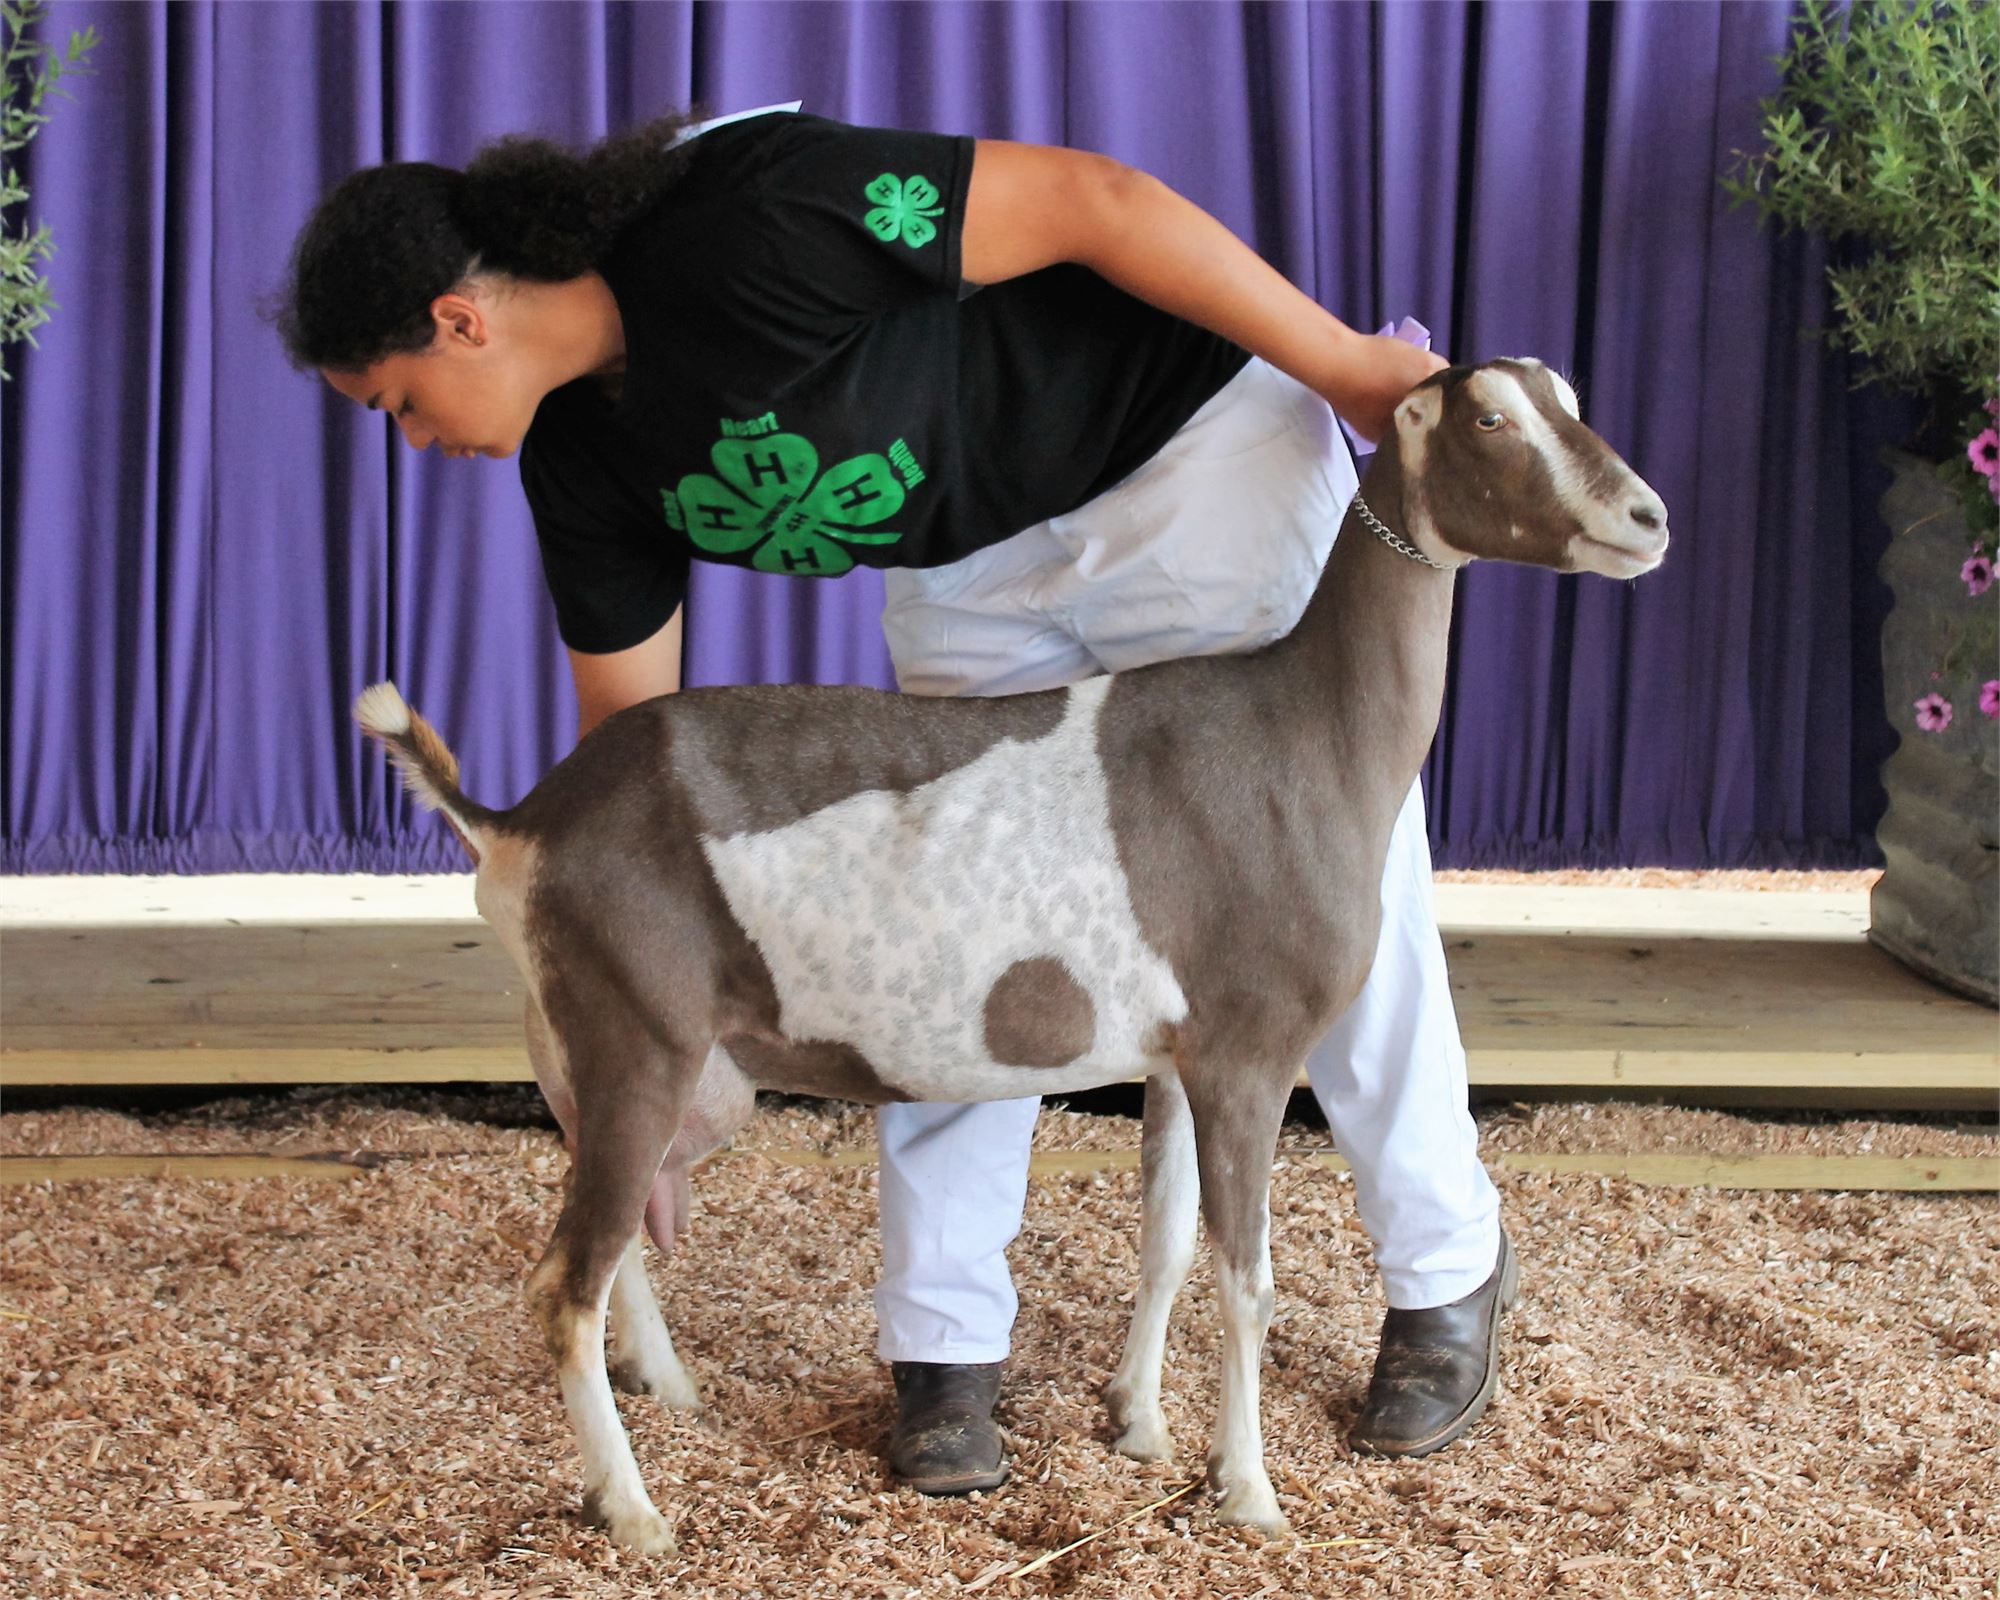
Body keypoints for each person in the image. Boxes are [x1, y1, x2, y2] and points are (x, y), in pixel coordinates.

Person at [277, 102, 1513, 1495]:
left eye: (394, 406)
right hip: (967, 567)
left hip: (1182, 462)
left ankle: (1441, 1272)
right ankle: (946, 1350)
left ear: (458, 321)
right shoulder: (581, 461)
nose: (416, 441)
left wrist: (1349, 369)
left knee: (1319, 898)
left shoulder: (739, 217)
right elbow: (633, 773)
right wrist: (634, 1025)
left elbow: (1100, 202)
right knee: (930, 920)